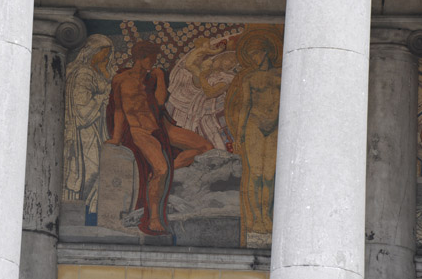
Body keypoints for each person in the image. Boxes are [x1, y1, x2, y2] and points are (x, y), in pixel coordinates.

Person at [106, 42, 213, 234]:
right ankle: (154, 218)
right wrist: (116, 137)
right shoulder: (120, 80)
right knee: (161, 170)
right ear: (140, 57)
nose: (153, 63)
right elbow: (119, 110)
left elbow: (160, 101)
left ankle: (170, 166)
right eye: (151, 59)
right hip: (139, 131)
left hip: (161, 126)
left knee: (205, 147)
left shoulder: (153, 77)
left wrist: (160, 77)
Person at [224, 28, 281, 242]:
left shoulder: (281, 74)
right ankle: (257, 219)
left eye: (256, 54)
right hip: (255, 126)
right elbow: (245, 105)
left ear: (265, 52)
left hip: (275, 127)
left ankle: (268, 217)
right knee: (256, 174)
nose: (253, 58)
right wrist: (239, 136)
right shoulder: (250, 78)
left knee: (270, 176)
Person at [63, 34, 114, 219]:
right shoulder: (84, 73)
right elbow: (82, 110)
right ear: (94, 51)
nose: (107, 58)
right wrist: (102, 98)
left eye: (109, 54)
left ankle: (91, 214)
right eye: (104, 54)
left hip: (97, 130)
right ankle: (80, 215)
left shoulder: (97, 71)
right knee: (90, 171)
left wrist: (106, 74)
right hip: (84, 133)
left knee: (99, 169)